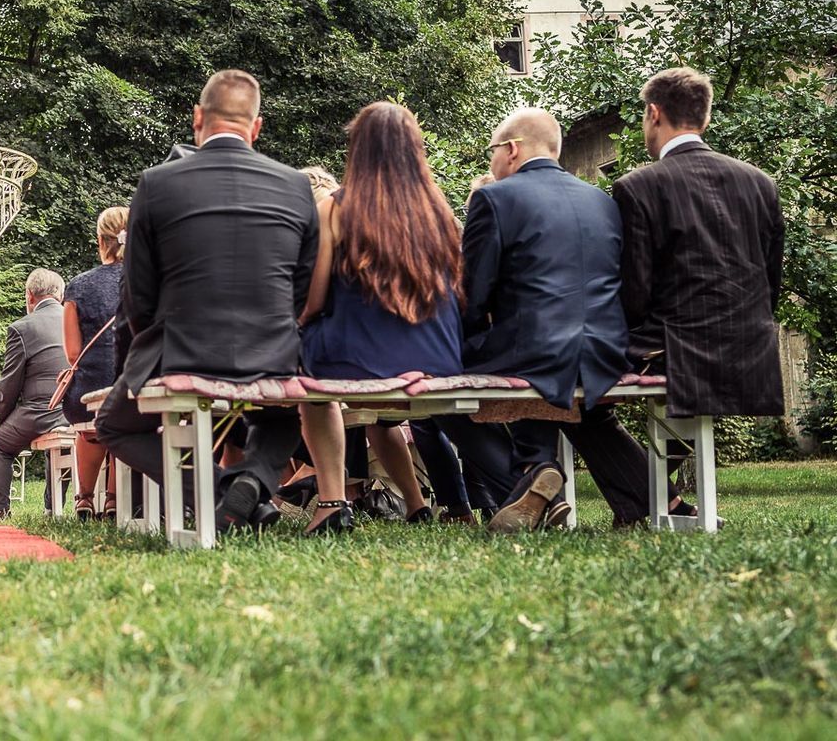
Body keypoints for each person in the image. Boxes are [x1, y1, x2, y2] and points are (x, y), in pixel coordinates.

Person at [93, 69, 317, 533]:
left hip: (180, 351)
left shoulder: (157, 184)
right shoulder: (295, 186)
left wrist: (149, 347)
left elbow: (137, 294)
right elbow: (302, 284)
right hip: (272, 352)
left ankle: (218, 488)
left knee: (114, 424)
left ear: (198, 118)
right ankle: (251, 482)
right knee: (285, 417)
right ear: (256, 128)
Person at [462, 107, 673, 533]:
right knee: (582, 407)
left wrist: (463, 338)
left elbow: (474, 295)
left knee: (447, 399)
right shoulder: (602, 199)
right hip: (605, 348)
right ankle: (659, 501)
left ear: (512, 149)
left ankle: (531, 470)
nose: (491, 162)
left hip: (531, 348)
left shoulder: (493, 198)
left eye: (492, 151)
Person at [298, 103, 458, 533]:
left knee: (312, 383)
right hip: (439, 358)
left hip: (360, 358)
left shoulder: (334, 207)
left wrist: (300, 324)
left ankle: (332, 502)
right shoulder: (439, 210)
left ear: (358, 148)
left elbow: (314, 300)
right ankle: (416, 503)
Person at [614, 67, 785, 419]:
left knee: (575, 395)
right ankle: (656, 478)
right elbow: (770, 279)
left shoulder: (638, 186)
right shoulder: (760, 183)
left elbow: (635, 292)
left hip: (673, 348)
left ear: (654, 113)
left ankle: (641, 478)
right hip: (752, 346)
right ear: (704, 118)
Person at [0, 271, 72, 523]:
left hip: (39, 410)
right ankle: (53, 508)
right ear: (60, 295)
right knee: (61, 443)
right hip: (72, 410)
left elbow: (10, 384)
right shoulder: (76, 321)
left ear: (29, 296)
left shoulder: (22, 328)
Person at [60, 207, 127, 520]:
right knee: (120, 409)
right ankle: (114, 499)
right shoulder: (150, 283)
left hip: (89, 389)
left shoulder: (78, 286)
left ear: (101, 241)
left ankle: (85, 498)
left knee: (92, 421)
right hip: (134, 385)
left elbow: (73, 354)